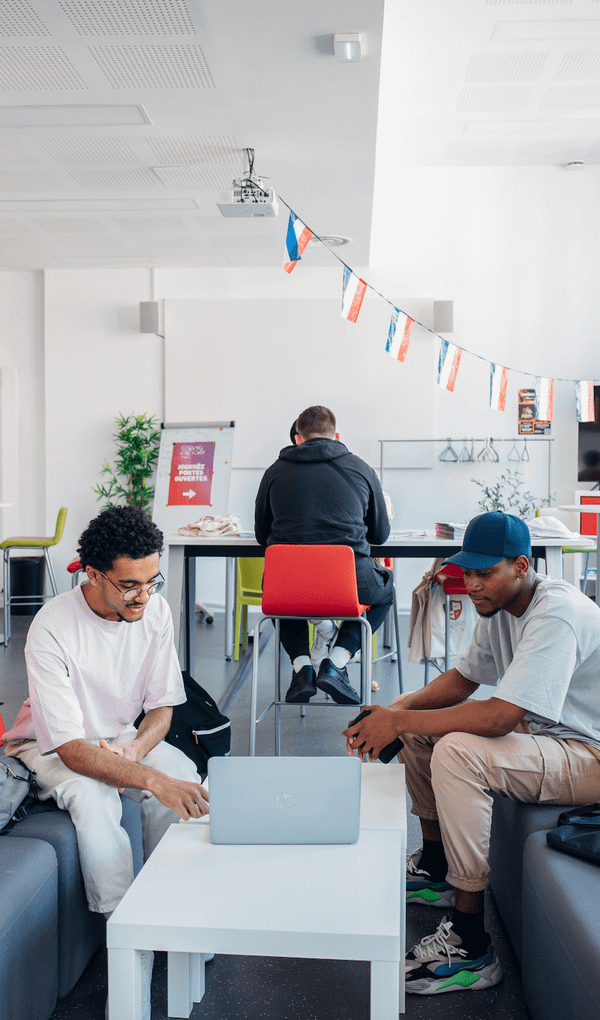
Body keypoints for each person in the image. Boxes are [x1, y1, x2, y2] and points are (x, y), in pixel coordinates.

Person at [343, 511, 600, 996]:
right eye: (467, 572)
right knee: (424, 733)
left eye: (485, 574)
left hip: (590, 752)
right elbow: (463, 680)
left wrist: (398, 720)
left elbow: (499, 718)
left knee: (458, 750)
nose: (472, 585)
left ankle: (471, 944)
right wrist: (395, 709)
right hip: (552, 731)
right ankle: (437, 869)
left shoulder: (556, 612)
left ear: (522, 566)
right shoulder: (498, 606)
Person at [8, 506, 209, 1017]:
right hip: (49, 743)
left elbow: (162, 706)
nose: (144, 595)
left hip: (121, 735)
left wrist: (138, 753)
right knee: (94, 798)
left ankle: (183, 914)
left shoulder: (154, 610)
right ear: (92, 574)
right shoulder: (51, 628)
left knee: (184, 778)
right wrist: (145, 778)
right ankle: (127, 938)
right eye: (129, 585)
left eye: (152, 581)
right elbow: (73, 750)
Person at [255, 404, 393, 705]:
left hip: (286, 586)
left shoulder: (274, 472)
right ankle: (336, 663)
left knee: (288, 593)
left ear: (298, 438)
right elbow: (380, 535)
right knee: (385, 591)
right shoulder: (361, 468)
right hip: (348, 584)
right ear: (336, 436)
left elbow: (261, 536)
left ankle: (302, 668)